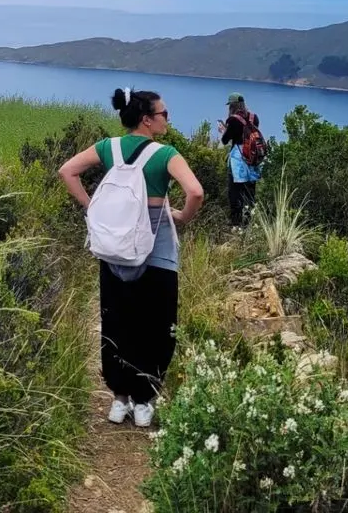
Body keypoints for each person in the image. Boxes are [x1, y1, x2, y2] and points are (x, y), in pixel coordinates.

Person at [58, 87, 203, 428]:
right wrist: (181, 217)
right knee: (155, 327)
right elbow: (195, 191)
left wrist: (92, 208)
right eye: (164, 113)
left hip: (115, 251)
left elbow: (67, 171)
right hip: (157, 254)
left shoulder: (108, 147)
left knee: (117, 322)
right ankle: (144, 401)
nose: (167, 118)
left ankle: (119, 399)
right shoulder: (165, 154)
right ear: (147, 119)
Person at [219, 93, 261, 228]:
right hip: (253, 158)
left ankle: (235, 223)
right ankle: (248, 222)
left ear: (232, 106)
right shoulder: (254, 118)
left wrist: (223, 131)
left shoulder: (233, 120)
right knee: (250, 192)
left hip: (238, 159)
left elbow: (225, 140)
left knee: (235, 192)